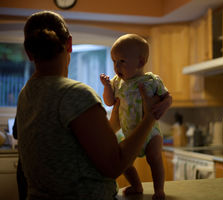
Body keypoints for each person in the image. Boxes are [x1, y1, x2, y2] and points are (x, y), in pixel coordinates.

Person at [17, 10, 170, 200]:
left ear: (29, 53)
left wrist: (117, 117)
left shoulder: (25, 94)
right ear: (69, 44)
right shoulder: (74, 94)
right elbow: (115, 165)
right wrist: (149, 117)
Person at [100, 34, 172, 199]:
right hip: (130, 135)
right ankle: (136, 185)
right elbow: (110, 102)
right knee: (122, 162)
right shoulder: (117, 82)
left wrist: (166, 103)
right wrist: (106, 87)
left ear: (140, 62)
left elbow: (167, 96)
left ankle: (159, 189)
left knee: (154, 158)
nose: (116, 66)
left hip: (151, 133)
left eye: (122, 61)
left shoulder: (152, 81)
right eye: (114, 61)